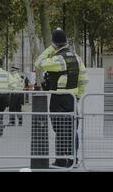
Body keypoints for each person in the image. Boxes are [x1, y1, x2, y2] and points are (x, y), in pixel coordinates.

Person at [35, 28, 88, 168]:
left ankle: (60, 160)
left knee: (60, 129)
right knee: (72, 129)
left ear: (55, 43)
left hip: (59, 98)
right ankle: (73, 160)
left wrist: (50, 48)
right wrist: (78, 95)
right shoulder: (77, 57)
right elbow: (84, 80)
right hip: (72, 98)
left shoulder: (57, 58)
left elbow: (39, 62)